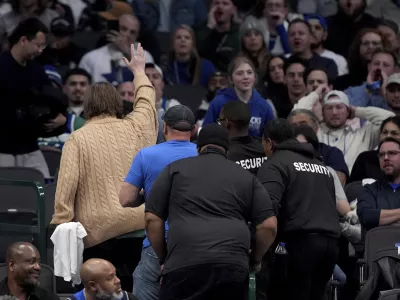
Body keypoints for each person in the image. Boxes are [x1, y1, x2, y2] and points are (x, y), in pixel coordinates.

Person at [51, 43, 158, 289]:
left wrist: (61, 229)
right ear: (117, 102)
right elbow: (147, 103)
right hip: (139, 230)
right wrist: (139, 72)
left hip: (98, 236)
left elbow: (64, 193)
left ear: (87, 105)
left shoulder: (77, 138)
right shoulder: (135, 128)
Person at [145, 123, 277, 300]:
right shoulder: (246, 176)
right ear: (227, 150)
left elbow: (152, 219)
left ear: (198, 147)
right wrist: (254, 259)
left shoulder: (174, 169)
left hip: (183, 263)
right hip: (232, 266)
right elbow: (269, 226)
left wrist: (163, 257)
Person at [119, 105, 198, 300]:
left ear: (164, 128)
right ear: (194, 129)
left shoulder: (147, 155)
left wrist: (148, 195)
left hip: (158, 244)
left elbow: (126, 198)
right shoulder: (204, 155)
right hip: (197, 245)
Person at [257, 118, 340, 300]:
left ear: (269, 142)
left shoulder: (274, 164)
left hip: (298, 246)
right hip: (330, 247)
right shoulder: (322, 166)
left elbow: (267, 209)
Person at [0, 18, 67, 178]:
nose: (40, 50)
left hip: (29, 146)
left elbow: (54, 101)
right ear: (23, 40)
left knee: (42, 184)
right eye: (38, 45)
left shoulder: (36, 71)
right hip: (2, 148)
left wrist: (60, 118)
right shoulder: (1, 67)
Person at [203, 56, 275, 137]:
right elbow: (206, 133)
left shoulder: (264, 105)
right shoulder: (218, 103)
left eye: (249, 72)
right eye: (240, 73)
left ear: (254, 77)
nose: (246, 77)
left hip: (255, 149)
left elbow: (271, 137)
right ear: (230, 79)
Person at [357, 137, 400, 231]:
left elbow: (374, 221)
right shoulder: (369, 190)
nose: (386, 158)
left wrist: (381, 220)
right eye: (381, 155)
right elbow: (366, 217)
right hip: (380, 244)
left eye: (392, 153)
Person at [219, 101, 267, 175]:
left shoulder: (223, 154)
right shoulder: (265, 148)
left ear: (227, 123)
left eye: (220, 121)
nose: (219, 124)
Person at [350, 116, 400, 183]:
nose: (388, 136)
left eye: (394, 133)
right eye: (385, 132)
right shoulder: (365, 158)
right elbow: (352, 188)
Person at [72, 259, 138, 300]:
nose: (118, 280)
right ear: (93, 285)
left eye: (115, 275)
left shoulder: (128, 298)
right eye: (110, 278)